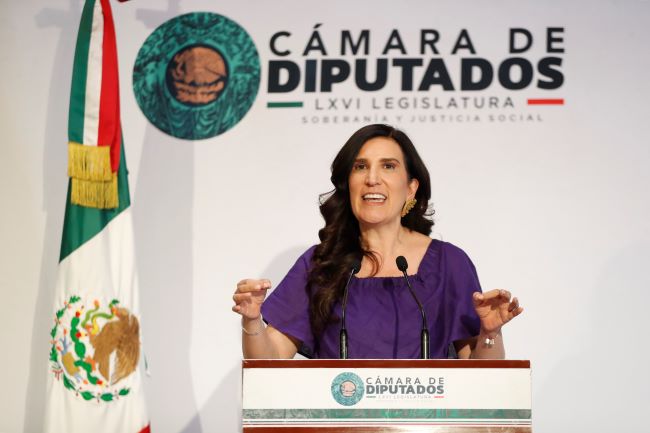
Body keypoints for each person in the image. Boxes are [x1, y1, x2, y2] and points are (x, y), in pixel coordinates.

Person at [232, 124, 522, 359]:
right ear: (348, 185)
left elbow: (481, 373)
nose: (372, 178)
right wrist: (252, 320)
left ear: (411, 188)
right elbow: (269, 360)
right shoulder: (321, 263)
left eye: (388, 166)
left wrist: (489, 333)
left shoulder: (450, 264)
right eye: (360, 166)